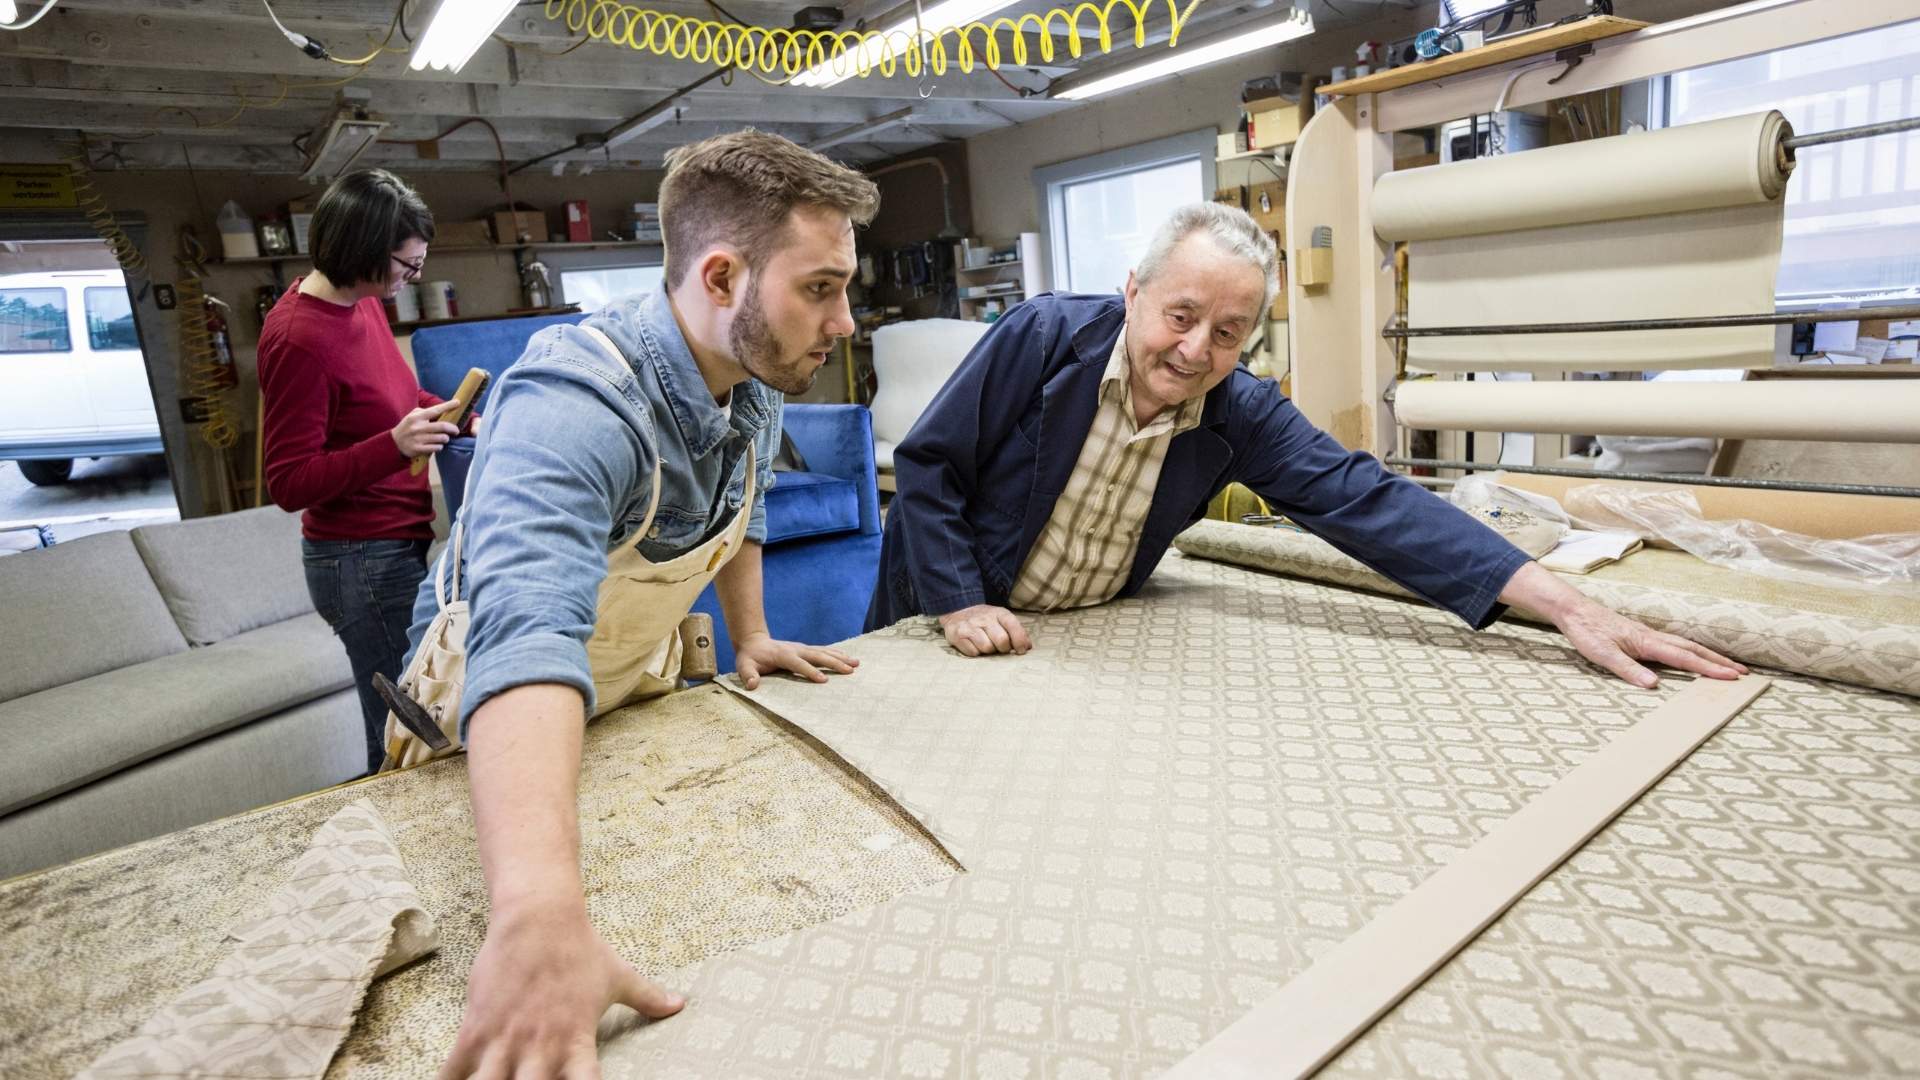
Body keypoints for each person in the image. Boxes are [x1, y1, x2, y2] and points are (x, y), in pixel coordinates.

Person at [399, 130, 879, 1079]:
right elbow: (529, 633)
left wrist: (755, 634)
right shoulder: (572, 401)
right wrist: (536, 912)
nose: (847, 321)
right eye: (821, 288)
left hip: (616, 709)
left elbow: (739, 513)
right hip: (476, 734)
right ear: (720, 276)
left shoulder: (749, 373)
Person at [872, 201, 1748, 691]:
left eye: (1228, 333)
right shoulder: (1040, 336)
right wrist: (957, 604)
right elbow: (930, 465)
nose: (1195, 351)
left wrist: (1567, 609)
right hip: (952, 615)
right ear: (1133, 291)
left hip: (1073, 645)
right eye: (1180, 316)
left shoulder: (1236, 409)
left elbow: (1368, 501)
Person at [259, 168, 470, 776]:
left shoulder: (363, 301)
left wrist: (454, 412)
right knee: (406, 731)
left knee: (422, 714)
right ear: (361, 253)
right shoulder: (298, 337)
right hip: (358, 559)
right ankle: (395, 858)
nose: (414, 278)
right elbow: (289, 482)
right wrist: (392, 444)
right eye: (406, 267)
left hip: (396, 541)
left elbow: (389, 396)